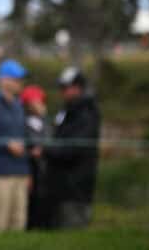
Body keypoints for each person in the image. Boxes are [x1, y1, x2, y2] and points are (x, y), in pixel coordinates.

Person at [46, 67, 100, 230]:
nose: (62, 92)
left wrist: (46, 151)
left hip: (76, 187)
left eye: (65, 87)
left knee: (72, 233)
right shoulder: (68, 110)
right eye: (61, 88)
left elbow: (74, 148)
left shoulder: (87, 112)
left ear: (77, 88)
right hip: (62, 187)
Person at [0, 59, 30, 231]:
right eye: (15, 79)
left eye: (20, 79)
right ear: (3, 80)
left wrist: (27, 172)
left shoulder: (19, 106)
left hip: (20, 173)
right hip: (0, 173)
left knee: (18, 222)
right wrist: (6, 144)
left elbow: (24, 136)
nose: (19, 83)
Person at [20, 84, 52, 230]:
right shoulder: (23, 121)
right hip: (30, 168)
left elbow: (49, 139)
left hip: (45, 171)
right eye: (36, 101)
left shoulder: (46, 121)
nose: (40, 104)